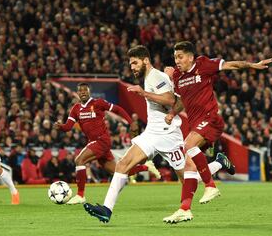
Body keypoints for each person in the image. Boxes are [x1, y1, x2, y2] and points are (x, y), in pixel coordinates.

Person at [83, 45, 234, 223]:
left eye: (135, 62)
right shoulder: (149, 78)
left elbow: (171, 100)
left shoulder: (156, 77)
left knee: (188, 177)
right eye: (130, 63)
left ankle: (218, 163)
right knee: (123, 164)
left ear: (145, 60)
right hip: (152, 133)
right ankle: (106, 210)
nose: (132, 67)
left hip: (168, 135)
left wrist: (143, 93)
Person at [163, 41, 272, 223]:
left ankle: (210, 185)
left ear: (190, 57)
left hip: (211, 119)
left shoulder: (203, 64)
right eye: (175, 57)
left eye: (180, 57)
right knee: (189, 165)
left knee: (188, 145)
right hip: (196, 124)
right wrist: (173, 113)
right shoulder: (177, 76)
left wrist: (252, 65)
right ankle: (185, 208)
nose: (177, 60)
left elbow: (231, 65)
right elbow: (183, 99)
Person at [53, 82, 161, 204]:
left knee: (79, 160)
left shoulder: (98, 103)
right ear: (77, 93)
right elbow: (68, 127)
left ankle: (80, 195)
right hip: (94, 142)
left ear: (89, 91)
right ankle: (146, 167)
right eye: (80, 90)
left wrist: (131, 123)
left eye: (85, 90)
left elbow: (118, 109)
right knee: (118, 171)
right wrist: (60, 127)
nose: (82, 92)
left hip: (101, 140)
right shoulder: (76, 109)